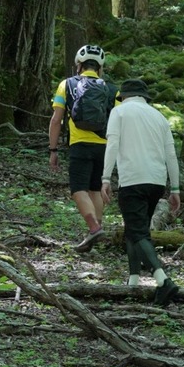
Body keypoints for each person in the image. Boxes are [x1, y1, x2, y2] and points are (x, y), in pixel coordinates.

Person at [100, 79, 181, 305]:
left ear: (123, 96)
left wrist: (106, 178)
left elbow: (112, 144)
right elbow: (171, 155)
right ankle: (133, 280)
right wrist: (175, 188)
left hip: (132, 180)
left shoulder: (119, 112)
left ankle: (163, 280)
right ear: (145, 97)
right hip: (156, 180)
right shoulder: (159, 117)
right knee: (135, 230)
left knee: (138, 232)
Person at [48, 44, 115, 252]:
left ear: (79, 65)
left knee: (78, 189)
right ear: (100, 68)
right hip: (104, 146)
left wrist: (53, 149)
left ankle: (94, 228)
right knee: (95, 189)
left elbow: (56, 119)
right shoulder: (113, 89)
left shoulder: (66, 84)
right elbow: (119, 121)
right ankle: (95, 230)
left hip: (79, 144)